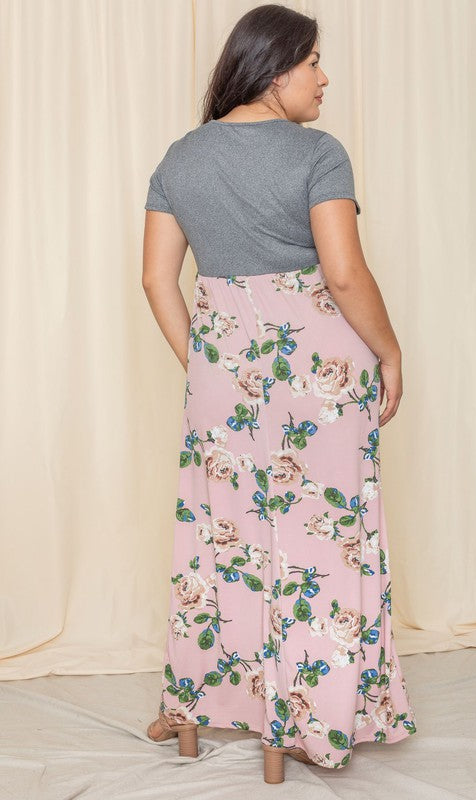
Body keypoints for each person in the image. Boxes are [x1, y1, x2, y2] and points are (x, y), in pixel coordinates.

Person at [142, 3, 416, 784]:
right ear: (273, 69)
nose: (323, 79)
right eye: (313, 63)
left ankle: (192, 708)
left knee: (219, 536)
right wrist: (390, 352)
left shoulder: (180, 156)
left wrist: (205, 360)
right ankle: (302, 722)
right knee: (321, 541)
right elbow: (342, 272)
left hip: (222, 368)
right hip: (317, 372)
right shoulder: (317, 152)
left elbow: (157, 280)